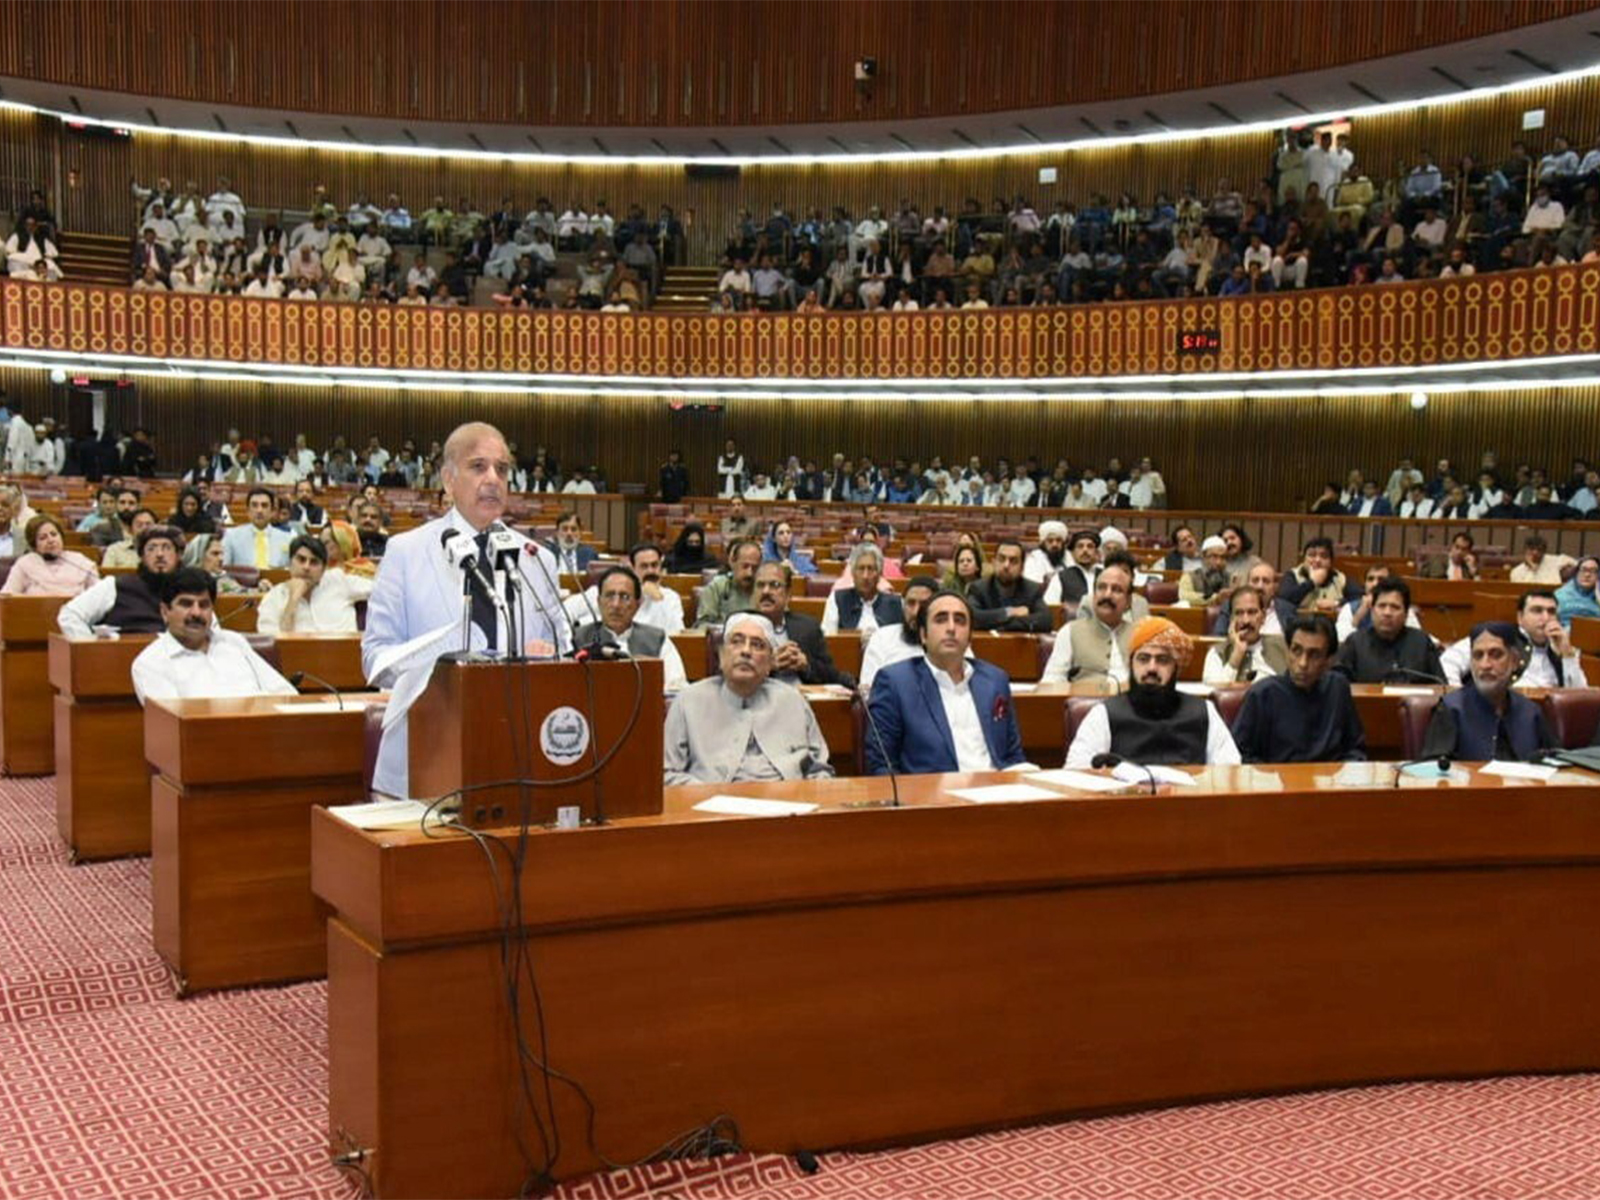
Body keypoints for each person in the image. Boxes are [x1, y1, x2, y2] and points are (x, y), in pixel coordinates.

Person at [362, 422, 570, 799]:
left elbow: (563, 647)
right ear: (448, 479)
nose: (493, 478)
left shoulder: (536, 558)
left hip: (517, 755)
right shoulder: (406, 553)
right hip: (427, 755)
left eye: (502, 469)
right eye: (478, 466)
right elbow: (375, 658)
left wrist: (553, 655)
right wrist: (441, 651)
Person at [865, 591, 1026, 775]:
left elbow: (1013, 757)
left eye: (960, 620)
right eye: (941, 619)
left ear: (970, 636)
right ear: (923, 635)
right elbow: (882, 766)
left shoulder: (995, 680)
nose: (951, 628)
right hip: (934, 798)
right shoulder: (895, 682)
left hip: (996, 794)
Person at [663, 612, 833, 785]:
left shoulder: (793, 701)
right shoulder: (688, 701)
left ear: (770, 663)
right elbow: (667, 774)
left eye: (758, 645)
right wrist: (710, 795)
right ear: (721, 656)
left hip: (789, 803)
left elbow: (820, 769)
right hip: (713, 804)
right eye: (736, 641)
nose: (746, 651)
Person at [1065, 617, 1241, 768]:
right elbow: (1076, 771)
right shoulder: (1104, 714)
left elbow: (1230, 771)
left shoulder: (1205, 712)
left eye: (1162, 660)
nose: (1152, 668)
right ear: (1131, 664)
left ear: (1175, 668)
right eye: (1143, 658)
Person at [131, 567, 299, 704]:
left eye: (204, 605)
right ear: (165, 611)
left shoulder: (233, 642)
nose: (196, 613)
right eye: (186, 604)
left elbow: (286, 694)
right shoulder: (151, 663)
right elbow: (175, 724)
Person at [1229, 615, 1367, 763]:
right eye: (1296, 650)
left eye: (1314, 655)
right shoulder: (1262, 694)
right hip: (1277, 783)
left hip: (1329, 783)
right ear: (1287, 652)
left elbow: (1355, 749)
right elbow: (1239, 754)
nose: (1303, 663)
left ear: (1329, 661)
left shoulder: (1338, 687)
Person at [1421, 623, 1557, 763]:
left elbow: (1555, 761)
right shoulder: (1451, 709)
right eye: (1478, 656)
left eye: (1496, 655)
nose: (1485, 665)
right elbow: (1434, 771)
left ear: (1515, 661)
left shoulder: (1531, 712)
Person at [572, 565, 686, 692]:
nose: (616, 605)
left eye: (625, 597)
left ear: (637, 605)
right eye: (610, 595)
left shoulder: (657, 639)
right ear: (599, 602)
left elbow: (676, 688)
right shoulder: (579, 638)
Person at [1440, 590, 1586, 689]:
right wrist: (1458, 697)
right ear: (1520, 617)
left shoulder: (1562, 647)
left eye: (1551, 612)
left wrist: (1567, 656)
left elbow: (1580, 697)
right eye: (1537, 610)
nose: (1546, 618)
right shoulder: (1498, 636)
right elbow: (1448, 662)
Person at [58, 524, 183, 636]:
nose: (159, 554)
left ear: (178, 555)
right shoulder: (115, 586)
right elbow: (69, 616)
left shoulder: (192, 589)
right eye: (151, 548)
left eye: (167, 548)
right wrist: (93, 649)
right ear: (142, 557)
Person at [750, 560, 851, 687]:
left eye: (774, 585)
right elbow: (730, 677)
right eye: (760, 585)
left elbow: (832, 675)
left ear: (788, 594)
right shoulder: (740, 628)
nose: (766, 591)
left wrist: (805, 665)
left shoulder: (807, 627)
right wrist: (769, 665)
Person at [1040, 554, 1137, 685]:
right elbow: (1052, 681)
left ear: (1128, 602)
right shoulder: (1070, 632)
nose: (1107, 595)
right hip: (1084, 702)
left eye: (1117, 590)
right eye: (1101, 588)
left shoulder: (1140, 634)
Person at [1332, 578, 1444, 683]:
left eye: (1395, 607)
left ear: (1406, 614)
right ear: (1372, 610)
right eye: (1381, 606)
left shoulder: (1422, 643)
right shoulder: (1355, 643)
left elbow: (1442, 687)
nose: (1387, 613)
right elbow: (1338, 686)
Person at [256, 535, 363, 634]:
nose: (306, 567)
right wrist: (293, 600)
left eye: (314, 562)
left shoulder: (339, 581)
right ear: (290, 563)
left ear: (323, 569)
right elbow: (274, 644)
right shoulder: (274, 597)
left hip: (344, 652)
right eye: (301, 560)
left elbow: (377, 590)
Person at [858, 575, 939, 694]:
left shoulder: (950, 642)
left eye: (924, 605)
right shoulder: (882, 638)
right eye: (911, 603)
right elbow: (869, 691)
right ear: (903, 605)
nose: (916, 612)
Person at [1201, 585, 1288, 684]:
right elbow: (1213, 692)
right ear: (1231, 618)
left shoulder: (1283, 646)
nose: (1246, 621)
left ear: (1263, 617)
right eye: (1239, 613)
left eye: (1252, 612)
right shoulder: (1217, 652)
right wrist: (1236, 656)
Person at [1, 514, 99, 596]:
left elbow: (100, 595)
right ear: (34, 545)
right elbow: (7, 596)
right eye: (43, 538)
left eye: (54, 534)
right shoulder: (25, 563)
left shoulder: (80, 561)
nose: (51, 540)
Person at [968, 540, 1051, 632]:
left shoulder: (1032, 589)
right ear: (993, 562)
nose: (1006, 565)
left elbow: (1045, 620)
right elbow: (972, 617)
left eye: (1013, 561)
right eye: (1001, 559)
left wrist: (1004, 625)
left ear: (1022, 568)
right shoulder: (978, 588)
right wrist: (1009, 612)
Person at [822, 543, 903, 634]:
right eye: (861, 569)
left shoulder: (896, 603)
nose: (865, 576)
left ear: (879, 573)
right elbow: (829, 638)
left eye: (871, 569)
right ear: (852, 573)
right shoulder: (837, 600)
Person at [695, 537, 763, 627]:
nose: (749, 573)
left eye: (754, 568)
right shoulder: (716, 587)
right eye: (745, 566)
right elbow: (702, 625)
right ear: (732, 562)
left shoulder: (764, 589)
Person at [221, 488, 293, 568]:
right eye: (254, 505)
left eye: (264, 505)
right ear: (248, 510)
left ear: (272, 511)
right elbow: (224, 569)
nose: (259, 510)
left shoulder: (288, 539)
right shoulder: (231, 536)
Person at [1044, 529, 1100, 607]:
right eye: (1080, 546)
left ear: (1096, 552)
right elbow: (1051, 607)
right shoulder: (1061, 577)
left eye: (1090, 546)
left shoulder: (1106, 575)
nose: (1085, 550)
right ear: (1073, 553)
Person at [181, 532, 251, 594]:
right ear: (199, 556)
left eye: (222, 554)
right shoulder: (184, 584)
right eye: (215, 554)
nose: (221, 559)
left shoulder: (224, 579)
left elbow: (244, 594)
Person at [1178, 535, 1231, 606]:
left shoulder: (1230, 577)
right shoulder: (1189, 577)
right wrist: (1215, 598)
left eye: (1223, 557)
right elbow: (1185, 597)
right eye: (1214, 556)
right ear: (1204, 557)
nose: (1219, 562)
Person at [544, 510, 598, 576]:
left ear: (580, 533)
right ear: (557, 532)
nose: (569, 533)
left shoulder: (589, 554)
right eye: (565, 529)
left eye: (573, 529)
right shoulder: (549, 553)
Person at [1510, 534, 1576, 584]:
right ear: (1525, 550)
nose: (1535, 552)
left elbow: (1577, 563)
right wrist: (1533, 568)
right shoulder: (1516, 571)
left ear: (1544, 551)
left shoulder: (1556, 560)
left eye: (1539, 549)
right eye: (1531, 549)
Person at [1556, 555, 1600, 626]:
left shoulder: (1598, 596)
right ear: (1576, 573)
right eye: (1583, 570)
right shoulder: (1560, 595)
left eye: (1593, 571)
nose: (1587, 574)